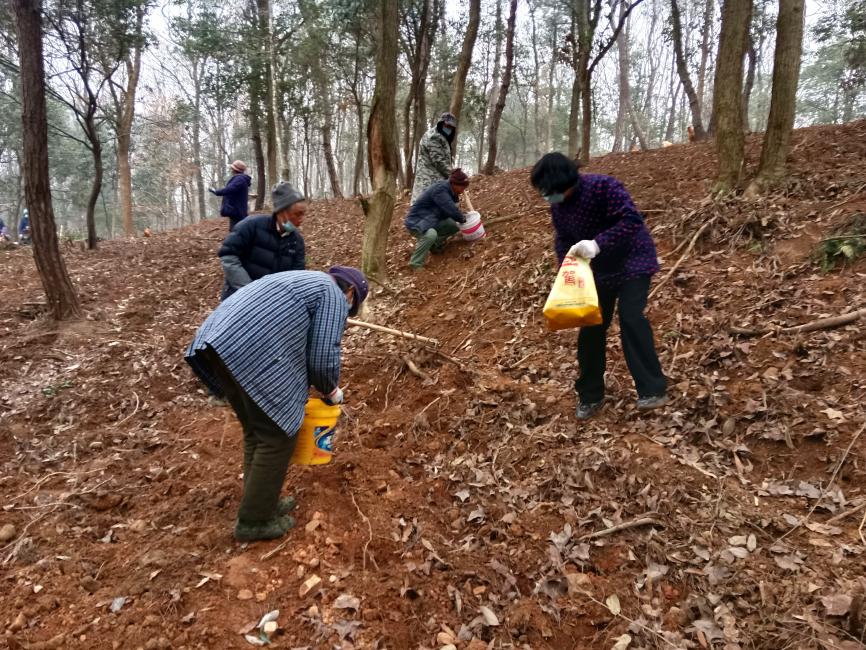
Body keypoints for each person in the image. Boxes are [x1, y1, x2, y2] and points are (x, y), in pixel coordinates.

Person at [185, 266, 369, 542]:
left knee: (257, 432)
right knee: (278, 436)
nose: (347, 314)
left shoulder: (306, 281)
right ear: (351, 292)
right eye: (350, 310)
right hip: (246, 350)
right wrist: (332, 391)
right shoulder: (331, 293)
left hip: (218, 342)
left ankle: (260, 501)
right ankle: (254, 521)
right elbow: (321, 356)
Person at [530, 152, 667, 420]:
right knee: (591, 329)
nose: (547, 197)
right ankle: (590, 395)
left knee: (631, 318)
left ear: (563, 181)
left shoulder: (604, 187)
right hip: (600, 271)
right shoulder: (559, 206)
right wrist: (566, 268)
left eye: (549, 190)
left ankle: (652, 389)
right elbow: (563, 239)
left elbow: (631, 221)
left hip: (633, 260)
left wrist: (597, 243)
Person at [218, 181, 306, 300]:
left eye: (303, 214)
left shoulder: (297, 242)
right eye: (297, 214)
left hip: (269, 305)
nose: (301, 219)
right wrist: (248, 290)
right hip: (237, 299)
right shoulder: (251, 226)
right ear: (281, 211)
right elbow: (228, 255)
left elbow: (296, 277)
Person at [404, 168, 470, 271]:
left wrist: (461, 217)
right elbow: (449, 208)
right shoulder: (440, 190)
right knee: (431, 234)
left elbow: (450, 210)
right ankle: (415, 263)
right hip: (416, 221)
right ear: (455, 184)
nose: (463, 191)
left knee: (453, 226)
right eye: (462, 187)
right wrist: (463, 219)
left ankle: (434, 246)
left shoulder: (451, 191)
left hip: (431, 219)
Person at [411, 112, 457, 204]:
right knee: (428, 213)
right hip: (428, 183)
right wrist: (455, 176)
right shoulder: (434, 137)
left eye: (451, 127)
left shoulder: (441, 136)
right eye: (447, 125)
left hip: (433, 184)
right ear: (441, 123)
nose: (449, 128)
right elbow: (439, 162)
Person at [210, 160, 252, 231]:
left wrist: (216, 192)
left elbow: (229, 189)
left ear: (235, 169)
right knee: (236, 230)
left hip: (237, 211)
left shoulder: (239, 179)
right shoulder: (240, 179)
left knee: (236, 231)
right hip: (237, 210)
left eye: (232, 168)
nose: (231, 170)